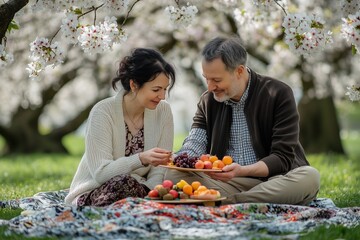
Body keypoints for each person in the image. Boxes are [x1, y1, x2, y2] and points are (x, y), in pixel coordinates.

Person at [164, 36, 320, 205]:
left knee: (310, 177)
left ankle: (228, 202)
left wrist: (241, 171)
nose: (209, 87)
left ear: (239, 71)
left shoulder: (278, 93)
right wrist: (178, 159)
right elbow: (195, 142)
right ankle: (247, 202)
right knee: (173, 175)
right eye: (206, 78)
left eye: (216, 80)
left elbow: (282, 157)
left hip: (276, 179)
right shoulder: (208, 101)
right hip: (228, 183)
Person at [65, 48, 176, 206]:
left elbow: (160, 168)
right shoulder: (103, 112)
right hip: (96, 191)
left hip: (141, 190)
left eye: (165, 89)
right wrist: (140, 159)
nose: (163, 96)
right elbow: (101, 174)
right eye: (156, 90)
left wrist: (149, 193)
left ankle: (136, 207)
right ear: (134, 85)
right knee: (122, 183)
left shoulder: (163, 111)